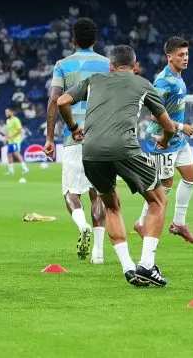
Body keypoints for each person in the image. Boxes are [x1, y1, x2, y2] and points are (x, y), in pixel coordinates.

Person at [57, 44, 177, 288]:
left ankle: (128, 268)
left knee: (111, 206)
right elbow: (169, 126)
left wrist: (73, 128)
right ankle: (147, 265)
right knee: (158, 201)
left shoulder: (94, 80)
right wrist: (165, 140)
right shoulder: (143, 84)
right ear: (136, 66)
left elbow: (61, 101)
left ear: (110, 66)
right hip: (124, 148)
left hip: (90, 151)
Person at [44, 17, 110, 264]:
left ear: (73, 40)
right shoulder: (108, 65)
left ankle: (82, 225)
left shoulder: (62, 65)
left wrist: (49, 138)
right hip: (102, 136)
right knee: (98, 193)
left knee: (71, 193)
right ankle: (99, 253)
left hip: (74, 137)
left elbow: (55, 100)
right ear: (96, 40)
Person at [135, 36, 193, 244]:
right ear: (169, 56)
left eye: (187, 54)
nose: (185, 58)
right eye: (181, 55)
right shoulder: (163, 81)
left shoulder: (178, 77)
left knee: (190, 177)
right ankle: (141, 222)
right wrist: (181, 126)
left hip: (176, 138)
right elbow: (154, 115)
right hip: (161, 139)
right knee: (164, 185)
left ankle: (179, 223)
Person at [5, 108, 28, 176]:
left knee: (16, 153)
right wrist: (6, 137)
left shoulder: (16, 120)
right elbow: (8, 130)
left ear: (11, 112)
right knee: (9, 154)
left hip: (16, 140)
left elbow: (19, 130)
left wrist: (11, 136)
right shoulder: (7, 121)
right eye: (5, 112)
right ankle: (11, 171)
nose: (6, 114)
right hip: (10, 141)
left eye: (7, 112)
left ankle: (25, 168)